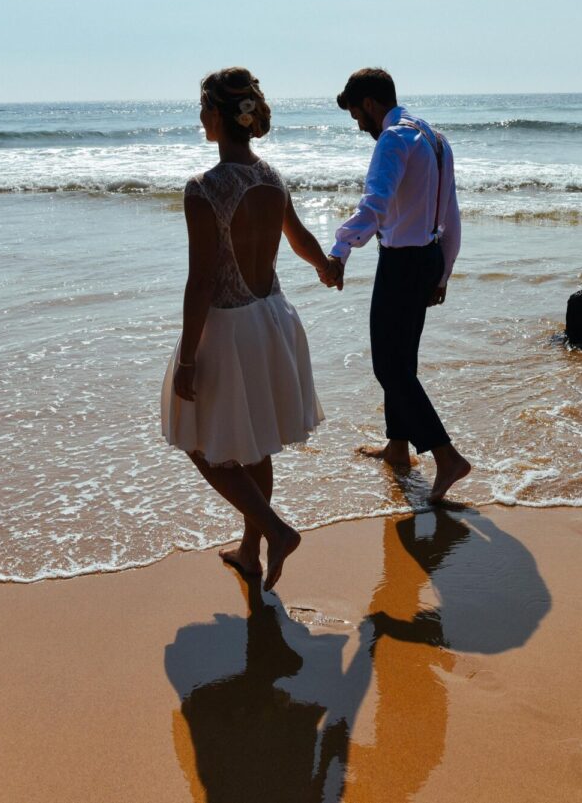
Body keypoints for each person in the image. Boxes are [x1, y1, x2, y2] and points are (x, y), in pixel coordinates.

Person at [161, 67, 335, 591]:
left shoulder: (205, 188)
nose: (199, 118)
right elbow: (301, 238)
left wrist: (188, 358)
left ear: (216, 116)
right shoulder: (271, 177)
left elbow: (201, 282)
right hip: (272, 319)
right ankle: (250, 551)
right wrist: (327, 266)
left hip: (229, 326)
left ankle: (277, 532)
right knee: (255, 444)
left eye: (202, 109)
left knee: (196, 440)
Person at [322, 68, 471, 503]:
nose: (359, 126)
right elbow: (452, 213)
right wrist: (443, 271)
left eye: (356, 116)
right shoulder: (434, 137)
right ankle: (397, 447)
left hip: (402, 263)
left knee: (389, 367)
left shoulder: (393, 139)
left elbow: (375, 201)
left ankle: (447, 457)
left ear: (370, 103)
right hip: (426, 258)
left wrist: (340, 249)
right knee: (402, 360)